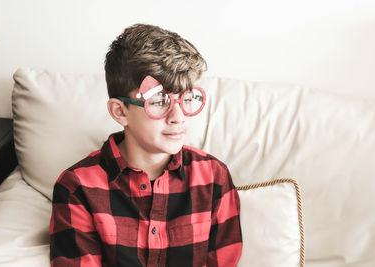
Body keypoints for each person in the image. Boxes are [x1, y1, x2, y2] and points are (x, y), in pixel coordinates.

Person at [50, 23, 242, 267]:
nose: (178, 116)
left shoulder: (214, 177)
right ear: (120, 112)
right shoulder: (77, 187)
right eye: (160, 100)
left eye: (187, 98)